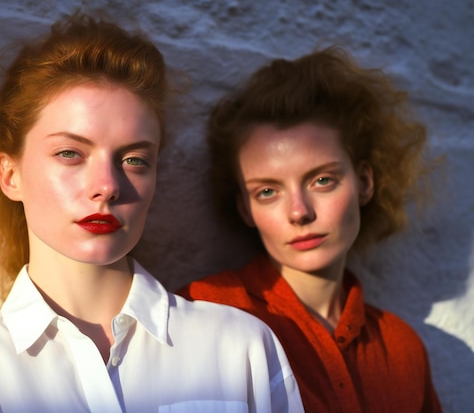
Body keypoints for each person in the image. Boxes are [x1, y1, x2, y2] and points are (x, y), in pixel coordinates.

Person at [0, 13, 304, 413]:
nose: (108, 185)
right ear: (11, 175)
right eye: (70, 153)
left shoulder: (240, 351)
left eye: (134, 159)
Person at [178, 46, 443, 413]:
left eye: (321, 180)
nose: (299, 212)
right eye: (267, 191)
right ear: (245, 208)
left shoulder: (402, 348)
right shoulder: (204, 314)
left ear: (365, 181)